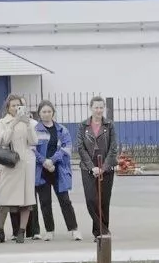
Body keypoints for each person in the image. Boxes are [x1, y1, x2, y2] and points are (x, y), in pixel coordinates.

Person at [33, 100, 81, 241]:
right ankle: (49, 230)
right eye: (43, 112)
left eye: (49, 111)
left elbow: (67, 148)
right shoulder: (35, 130)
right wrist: (44, 162)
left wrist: (52, 161)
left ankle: (74, 229)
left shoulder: (62, 130)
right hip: (41, 171)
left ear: (53, 112)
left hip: (58, 170)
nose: (46, 114)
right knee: (45, 202)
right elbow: (32, 149)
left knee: (65, 200)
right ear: (39, 113)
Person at [0, 94, 37, 244]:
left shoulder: (29, 121)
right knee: (4, 200)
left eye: (18, 105)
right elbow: (3, 141)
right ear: (8, 107)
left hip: (25, 162)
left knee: (26, 200)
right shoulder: (2, 122)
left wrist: (28, 124)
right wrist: (13, 123)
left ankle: (21, 232)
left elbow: (34, 141)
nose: (15, 108)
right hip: (9, 162)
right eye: (13, 105)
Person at [77, 95, 118, 239]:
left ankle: (100, 233)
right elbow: (80, 148)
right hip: (88, 168)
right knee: (91, 200)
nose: (99, 110)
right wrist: (91, 167)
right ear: (91, 108)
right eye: (96, 107)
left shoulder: (109, 125)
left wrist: (104, 167)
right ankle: (103, 228)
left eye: (101, 107)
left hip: (106, 168)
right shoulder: (83, 126)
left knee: (104, 201)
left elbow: (113, 148)